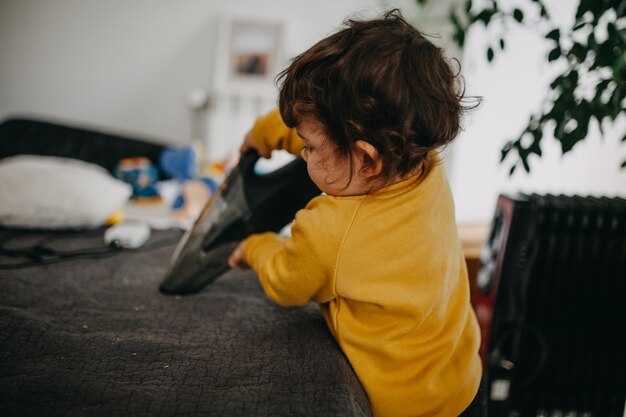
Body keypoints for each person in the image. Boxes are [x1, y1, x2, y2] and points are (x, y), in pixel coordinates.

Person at [228, 9, 485, 417]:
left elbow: (286, 282)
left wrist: (256, 246)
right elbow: (342, 145)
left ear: (367, 160)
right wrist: (269, 131)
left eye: (308, 146)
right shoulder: (421, 160)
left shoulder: (332, 231)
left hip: (404, 408)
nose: (304, 152)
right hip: (463, 379)